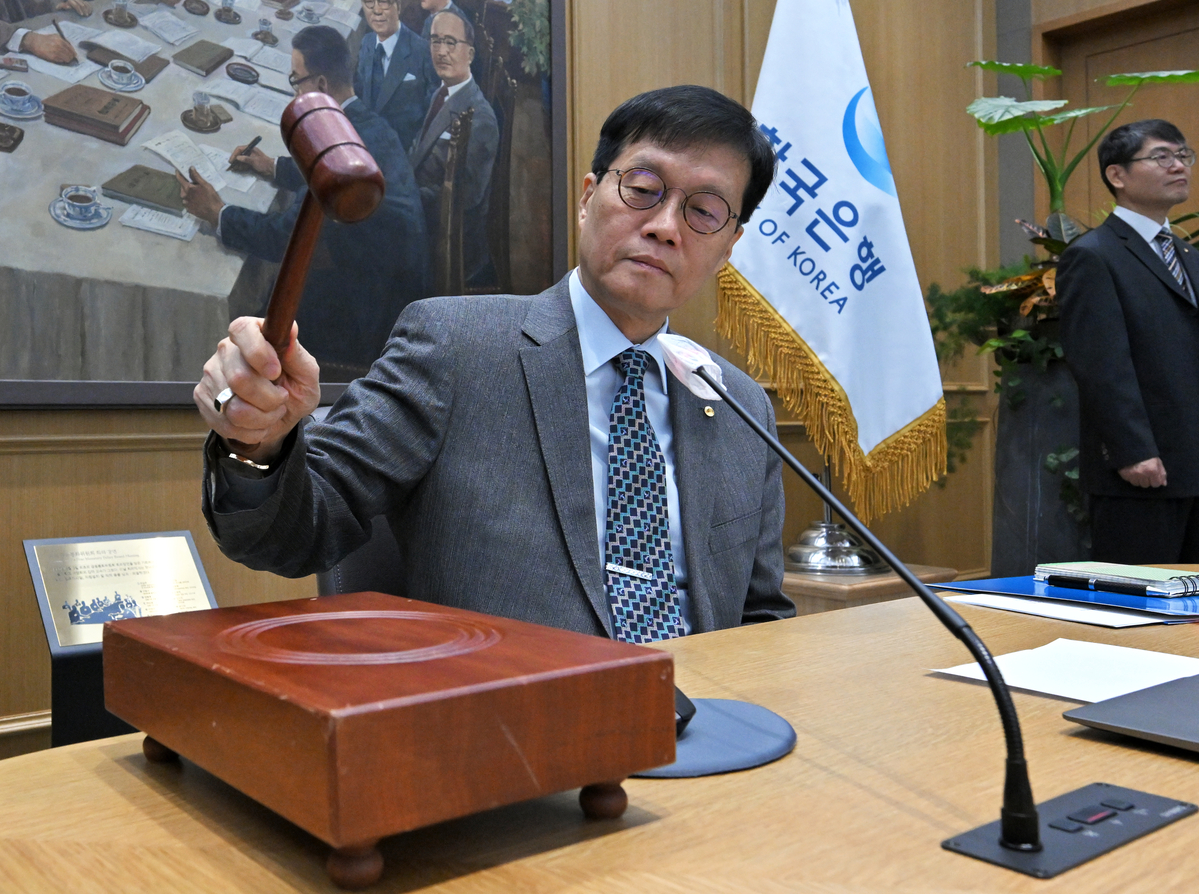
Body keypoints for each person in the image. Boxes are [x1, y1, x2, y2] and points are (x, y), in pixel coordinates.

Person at [196, 85, 794, 640]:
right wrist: (257, 444)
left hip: (709, 730)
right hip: (515, 732)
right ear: (589, 199)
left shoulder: (739, 405)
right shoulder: (456, 348)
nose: (665, 227)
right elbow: (297, 531)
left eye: (705, 211)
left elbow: (761, 619)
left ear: (728, 247)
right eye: (642, 188)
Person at [178, 25, 427, 380]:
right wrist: (274, 167)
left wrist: (217, 212)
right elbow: (332, 178)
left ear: (322, 85)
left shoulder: (344, 144)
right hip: (386, 281)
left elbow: (284, 236)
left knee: (255, 322)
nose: (294, 91)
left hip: (370, 310)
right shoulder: (366, 123)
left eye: (297, 81)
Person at [1057, 119, 1199, 563]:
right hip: (1142, 473)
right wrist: (1133, 451)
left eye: (1184, 155)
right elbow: (1100, 364)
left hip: (1194, 463)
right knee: (1140, 612)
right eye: (1162, 156)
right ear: (1117, 175)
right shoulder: (1093, 254)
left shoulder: (1188, 254)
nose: (1179, 166)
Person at [409, 10, 498, 285]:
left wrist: (406, 199)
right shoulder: (443, 91)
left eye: (450, 42)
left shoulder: (480, 118)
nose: (441, 51)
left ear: (469, 54)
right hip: (423, 209)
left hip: (450, 237)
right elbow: (419, 149)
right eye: (435, 41)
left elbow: (465, 198)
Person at [355, 0, 438, 152]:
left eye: (384, 2)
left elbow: (432, 114)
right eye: (369, 2)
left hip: (402, 151)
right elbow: (360, 95)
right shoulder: (367, 43)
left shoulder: (423, 52)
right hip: (365, 146)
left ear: (398, 6)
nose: (377, 10)